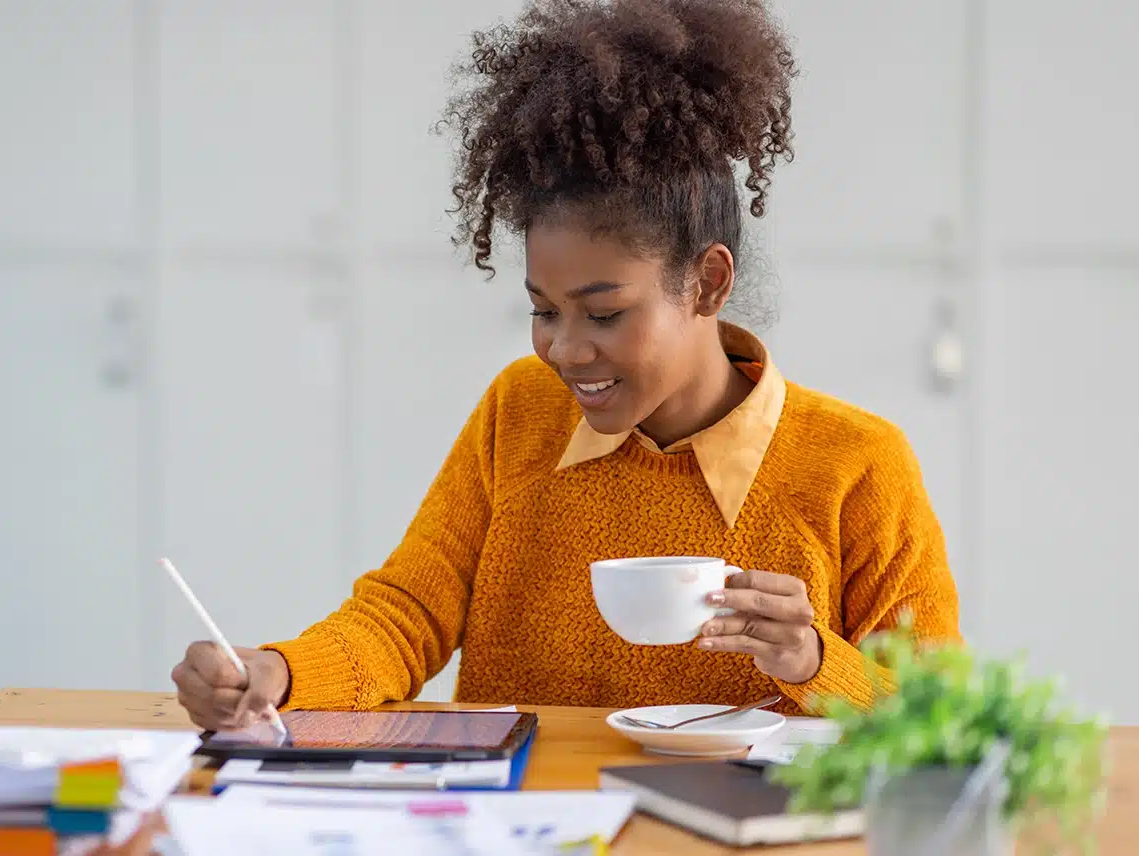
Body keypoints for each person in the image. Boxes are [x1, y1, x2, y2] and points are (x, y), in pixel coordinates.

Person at [171, 0, 960, 730]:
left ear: (708, 283)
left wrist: (819, 663)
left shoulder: (857, 467)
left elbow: (946, 723)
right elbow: (408, 612)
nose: (563, 350)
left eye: (605, 312)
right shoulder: (521, 413)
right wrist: (278, 671)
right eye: (543, 310)